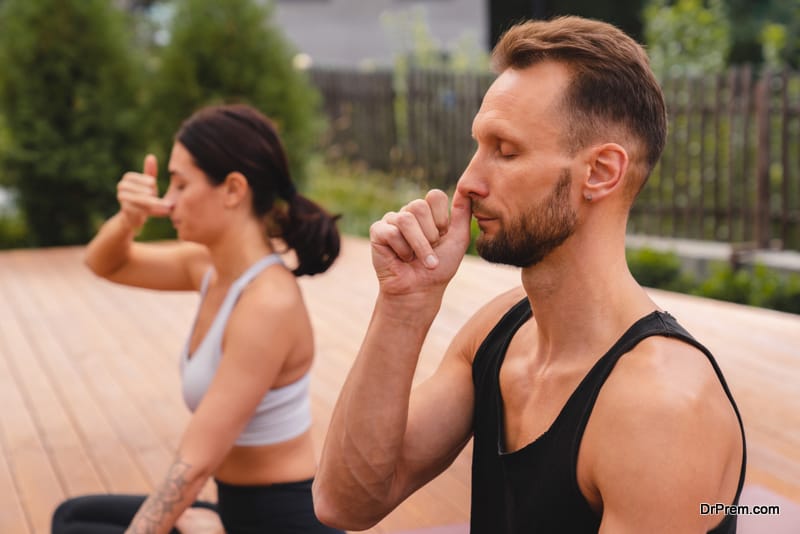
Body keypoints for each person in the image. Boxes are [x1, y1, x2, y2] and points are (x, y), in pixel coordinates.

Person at [312, 16, 746, 534]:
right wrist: (404, 305)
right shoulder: (498, 334)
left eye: (506, 151)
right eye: (478, 146)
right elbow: (346, 502)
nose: (468, 181)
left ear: (601, 172)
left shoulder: (662, 409)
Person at [52, 104, 343, 534]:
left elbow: (195, 462)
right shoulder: (207, 268)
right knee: (74, 517)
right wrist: (128, 219)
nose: (167, 201)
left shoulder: (269, 303)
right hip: (234, 507)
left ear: (232, 190)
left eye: (180, 184)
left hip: (281, 520)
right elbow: (105, 264)